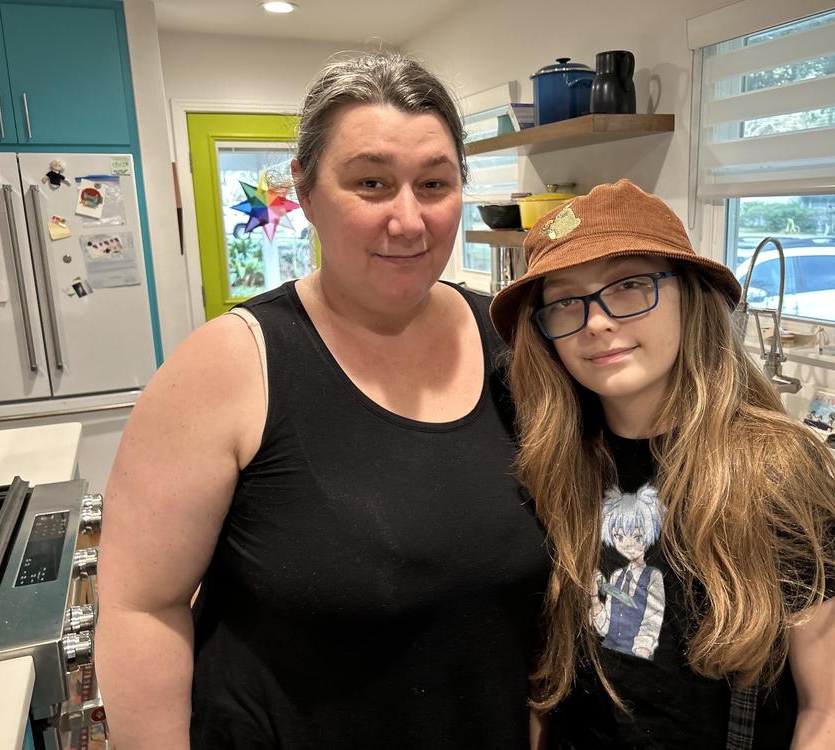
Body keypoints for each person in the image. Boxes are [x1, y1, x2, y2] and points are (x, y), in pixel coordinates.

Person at [96, 52, 550, 749]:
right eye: (371, 182)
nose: (408, 219)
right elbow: (141, 608)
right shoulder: (229, 365)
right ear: (305, 192)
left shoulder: (514, 343)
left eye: (434, 183)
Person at [488, 180, 835, 749]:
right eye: (565, 301)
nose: (596, 321)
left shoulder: (776, 469)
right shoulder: (554, 464)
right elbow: (546, 680)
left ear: (689, 295)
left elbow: (834, 708)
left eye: (628, 286)